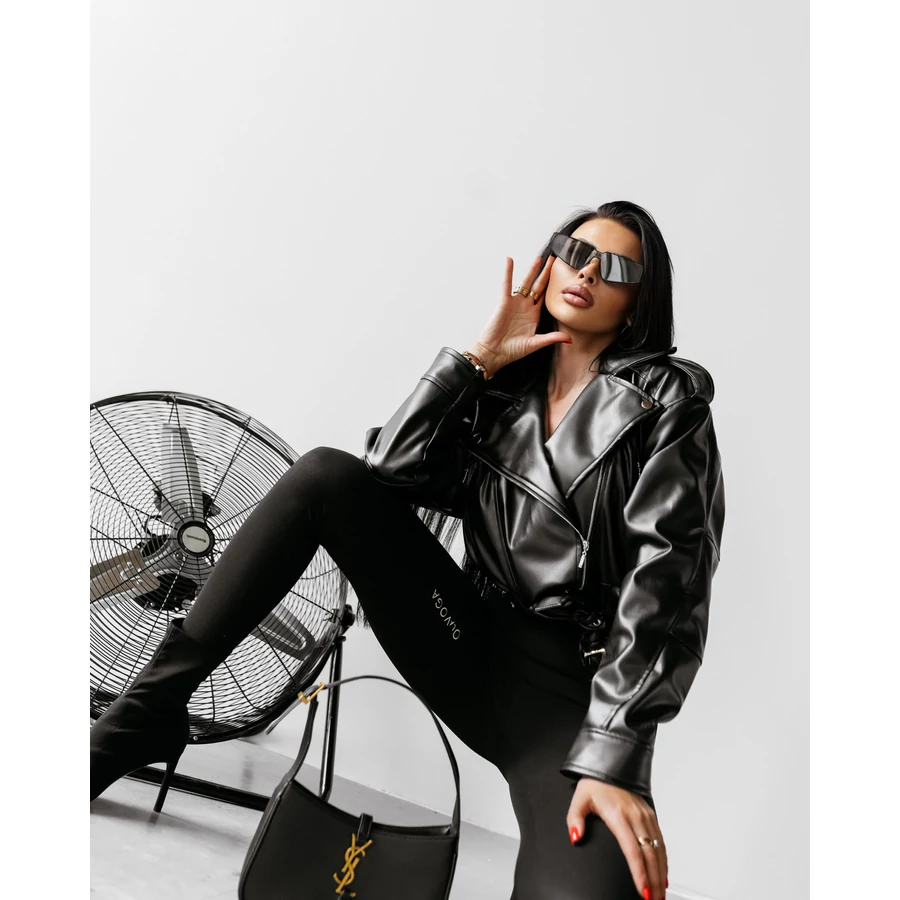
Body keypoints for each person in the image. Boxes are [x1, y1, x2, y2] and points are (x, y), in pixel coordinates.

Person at [90, 200, 725, 900]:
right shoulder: (499, 392)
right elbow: (390, 471)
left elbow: (670, 583)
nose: (588, 273)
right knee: (325, 476)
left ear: (638, 303)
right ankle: (146, 712)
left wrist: (615, 753)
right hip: (462, 637)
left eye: (617, 268)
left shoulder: (669, 400)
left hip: (562, 695)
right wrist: (476, 361)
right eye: (575, 252)